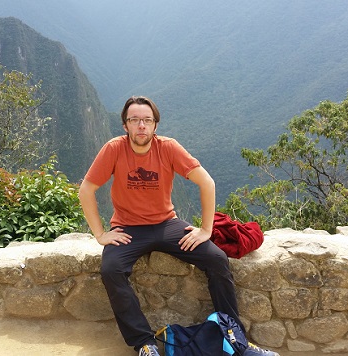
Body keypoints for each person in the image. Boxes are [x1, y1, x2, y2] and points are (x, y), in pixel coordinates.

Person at [78, 96, 243, 356]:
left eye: (147, 120)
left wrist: (206, 230)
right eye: (135, 120)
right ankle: (144, 342)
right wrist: (100, 234)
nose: (141, 125)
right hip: (127, 228)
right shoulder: (114, 149)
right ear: (125, 125)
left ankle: (232, 332)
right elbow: (86, 190)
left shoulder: (168, 147)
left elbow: (206, 182)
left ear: (155, 125)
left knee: (217, 259)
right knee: (111, 269)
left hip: (167, 224)